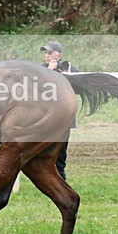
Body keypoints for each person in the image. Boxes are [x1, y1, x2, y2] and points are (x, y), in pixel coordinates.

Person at [41, 41, 78, 180]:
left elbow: (75, 91)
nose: (47, 55)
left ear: (59, 55)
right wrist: (49, 72)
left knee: (61, 153)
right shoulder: (41, 69)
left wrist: (67, 75)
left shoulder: (71, 68)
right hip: (46, 117)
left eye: (50, 52)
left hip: (63, 118)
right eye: (46, 53)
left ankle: (61, 179)